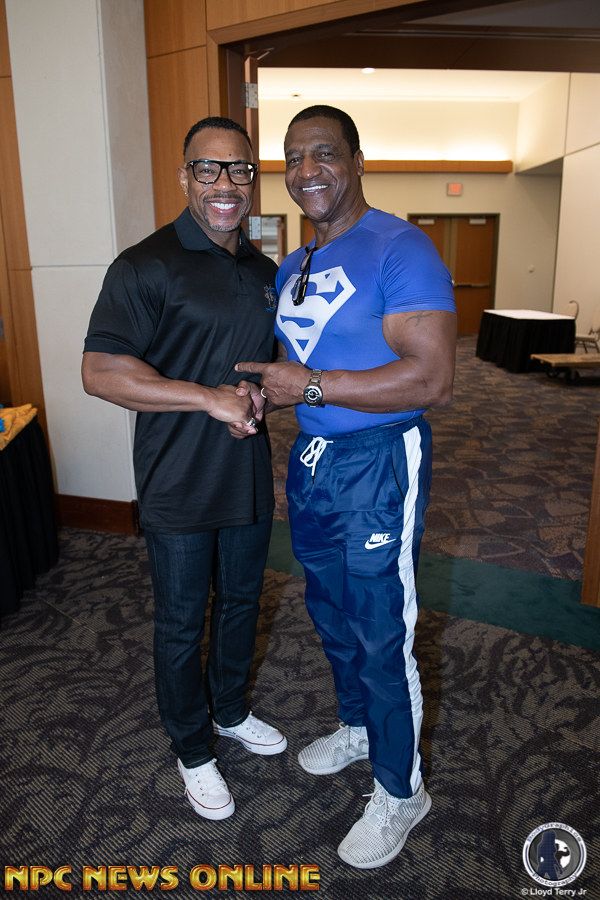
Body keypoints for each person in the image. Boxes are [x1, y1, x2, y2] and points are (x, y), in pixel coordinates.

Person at [236, 105, 456, 868]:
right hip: (314, 461)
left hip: (381, 461)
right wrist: (264, 397)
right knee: (329, 610)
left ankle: (401, 789)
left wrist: (310, 386)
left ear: (358, 161)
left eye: (324, 153)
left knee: (380, 628)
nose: (307, 172)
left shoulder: (401, 246)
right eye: (293, 158)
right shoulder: (295, 261)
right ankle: (360, 726)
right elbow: (302, 369)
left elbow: (431, 377)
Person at [82, 116, 286, 822]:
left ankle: (229, 710)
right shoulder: (145, 265)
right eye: (208, 168)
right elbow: (100, 372)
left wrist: (257, 397)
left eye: (239, 169)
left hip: (246, 472)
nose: (225, 183)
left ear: (253, 180)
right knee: (180, 622)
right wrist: (205, 398)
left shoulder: (264, 272)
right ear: (184, 178)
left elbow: (262, 370)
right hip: (176, 479)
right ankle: (193, 747)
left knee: (241, 603)